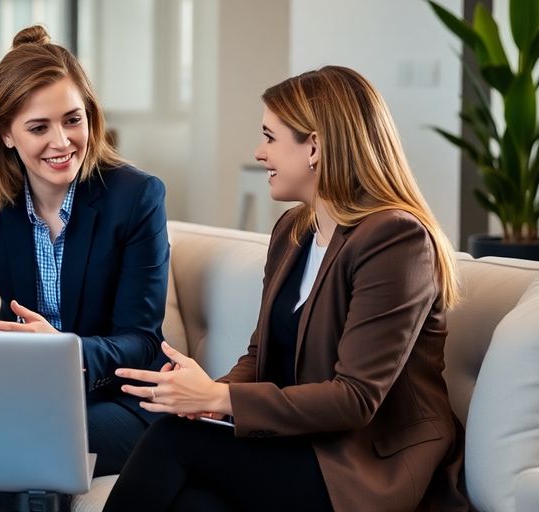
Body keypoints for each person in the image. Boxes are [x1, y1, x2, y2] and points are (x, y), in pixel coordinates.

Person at [102, 66, 470, 511]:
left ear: (314, 146)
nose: (259, 153)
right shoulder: (294, 231)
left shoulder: (395, 240)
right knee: (193, 503)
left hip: (365, 467)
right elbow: (261, 356)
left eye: (270, 137)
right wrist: (205, 398)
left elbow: (355, 399)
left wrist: (220, 396)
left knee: (170, 439)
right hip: (302, 447)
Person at [0, 25, 170, 478]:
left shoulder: (136, 196)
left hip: (118, 398)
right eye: (39, 127)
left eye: (73, 119)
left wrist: (63, 353)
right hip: (17, 391)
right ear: (5, 134)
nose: (62, 142)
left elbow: (140, 340)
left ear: (91, 117)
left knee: (18, 435)